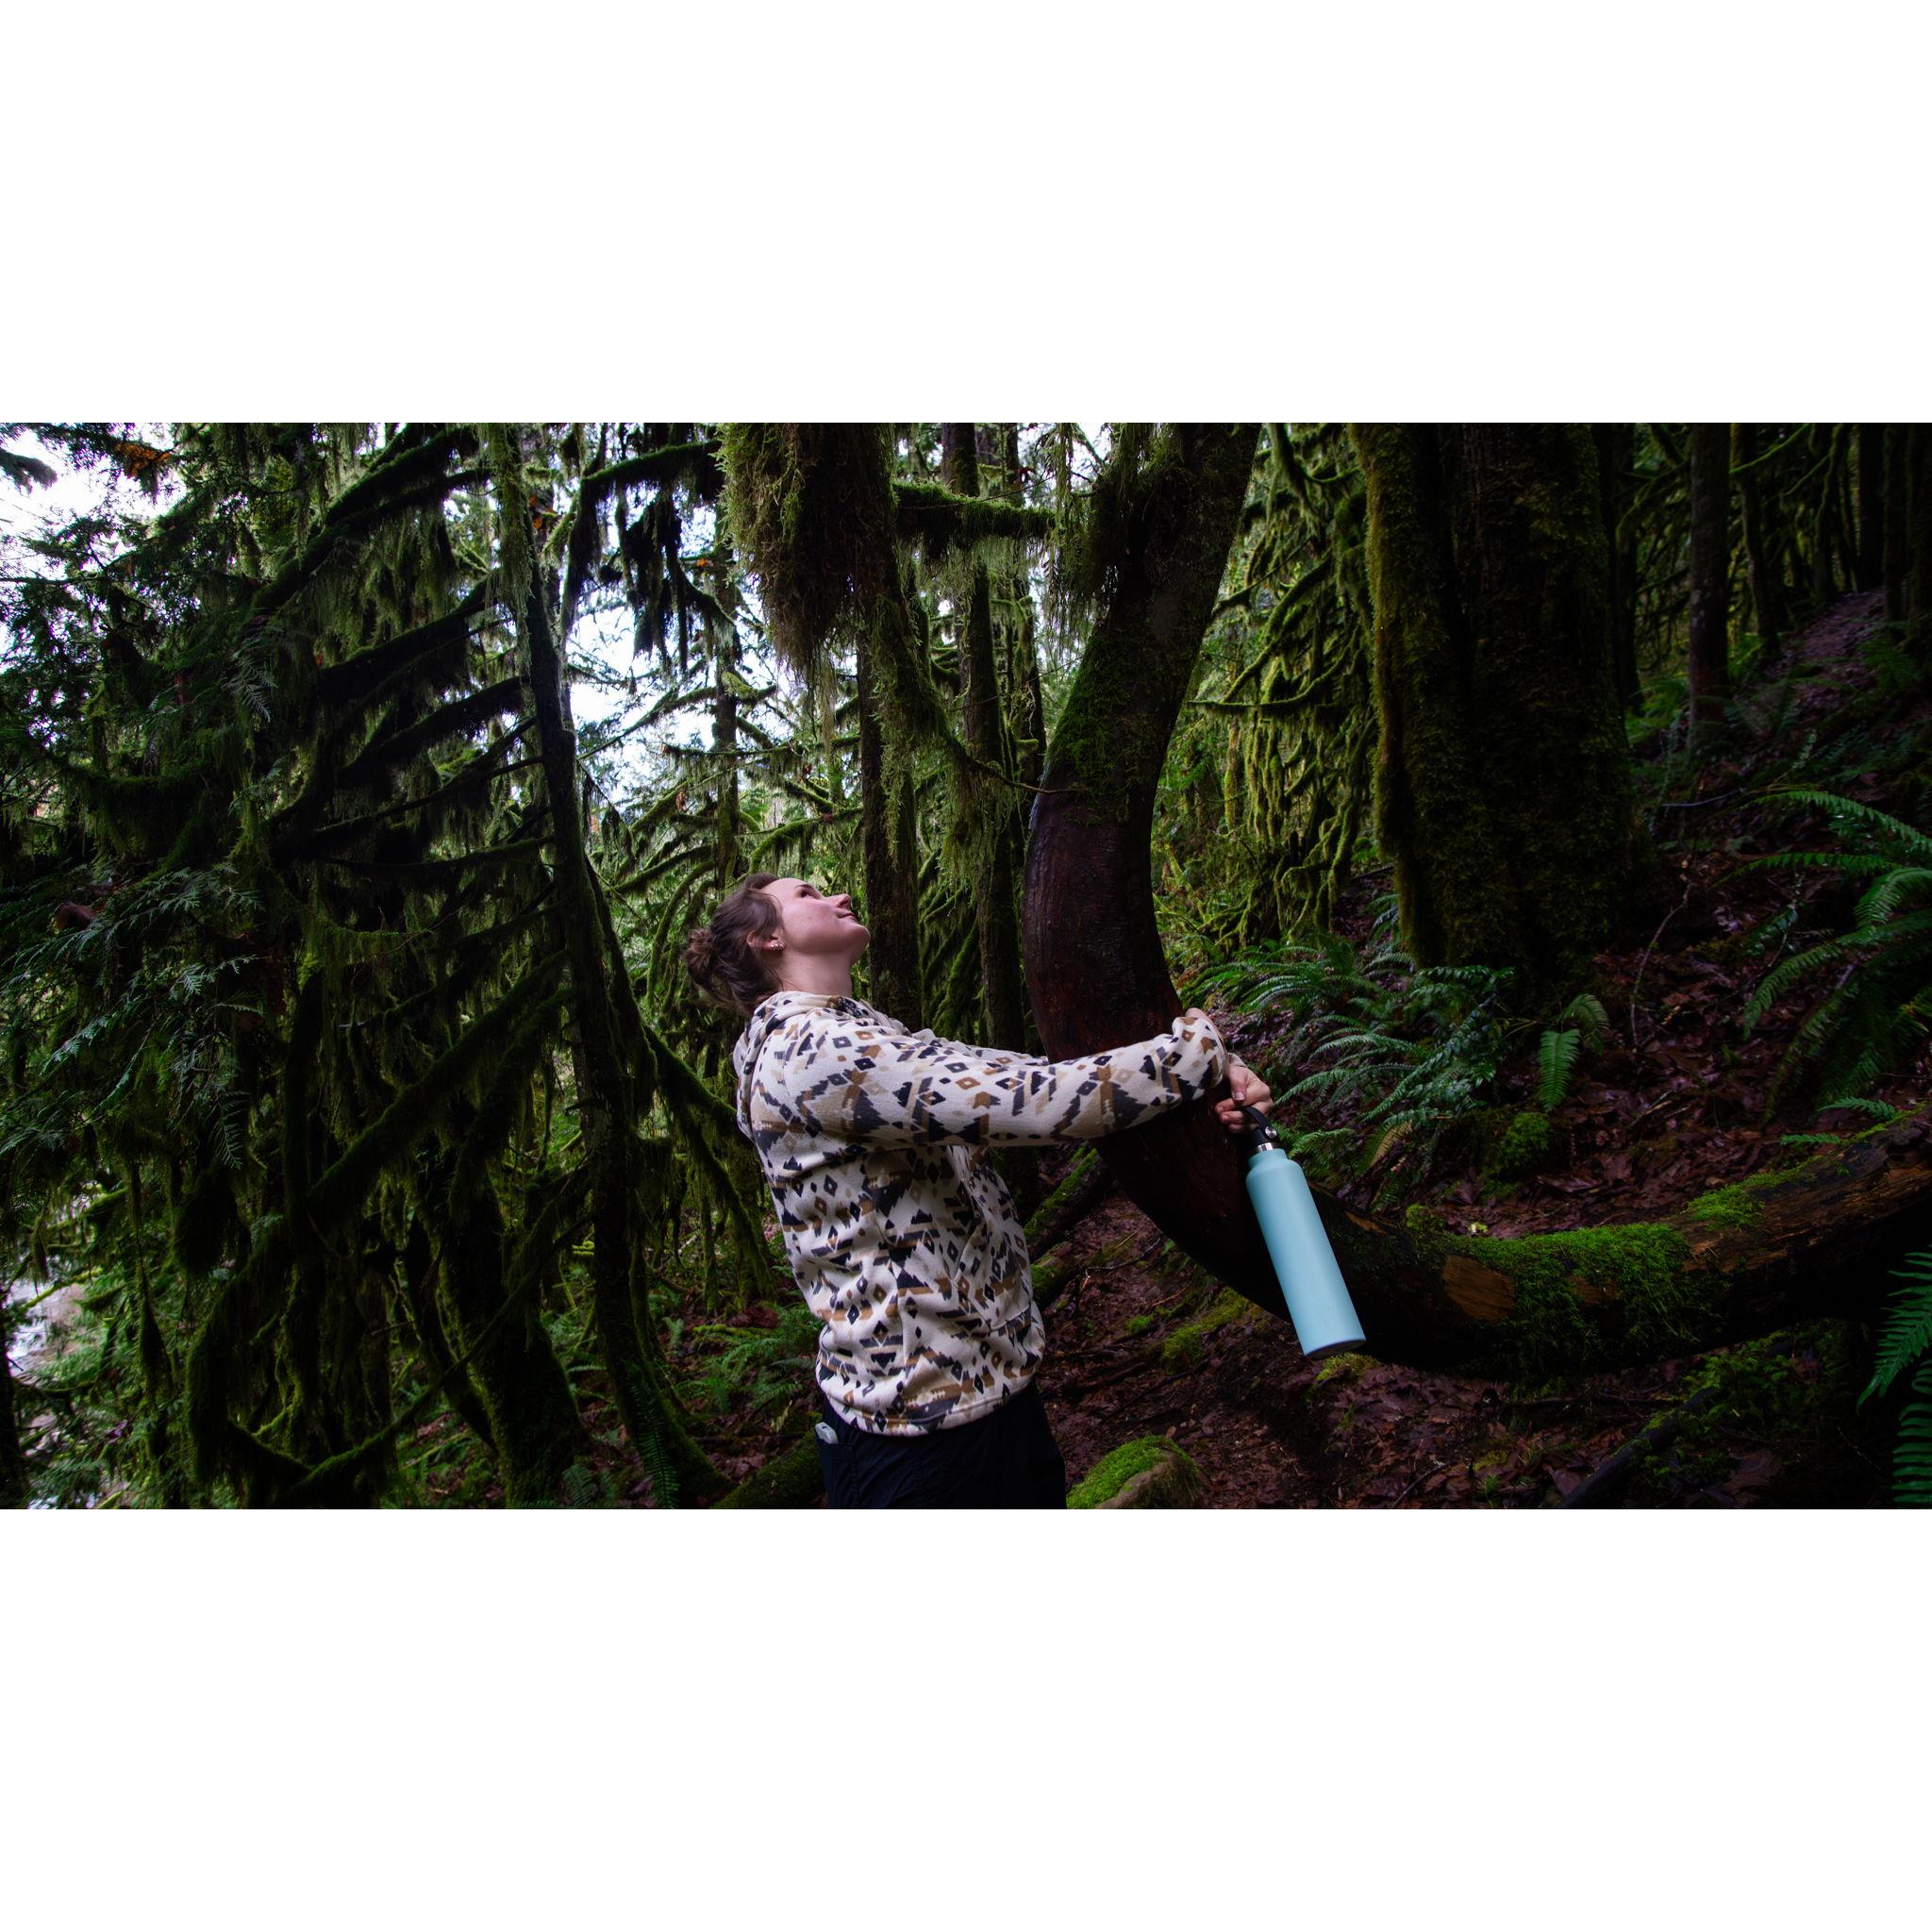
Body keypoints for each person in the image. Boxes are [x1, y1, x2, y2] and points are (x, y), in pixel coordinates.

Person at [684, 871, 1273, 1508]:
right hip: (924, 1430)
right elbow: (1040, 1103)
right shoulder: (812, 1050)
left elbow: (1022, 1073)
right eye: (807, 895)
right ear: (766, 938)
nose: (839, 897)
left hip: (980, 1389)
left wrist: (1213, 1073)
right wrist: (1202, 1047)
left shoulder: (861, 1032)